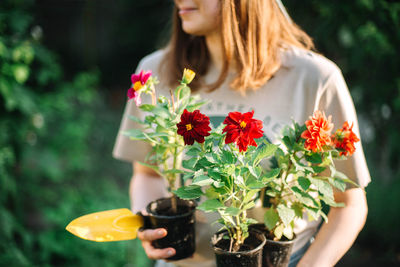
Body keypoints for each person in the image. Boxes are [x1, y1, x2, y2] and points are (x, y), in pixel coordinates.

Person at [113, 0, 370, 266]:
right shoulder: (156, 74)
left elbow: (349, 204)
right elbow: (148, 174)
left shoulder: (314, 78)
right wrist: (149, 224)